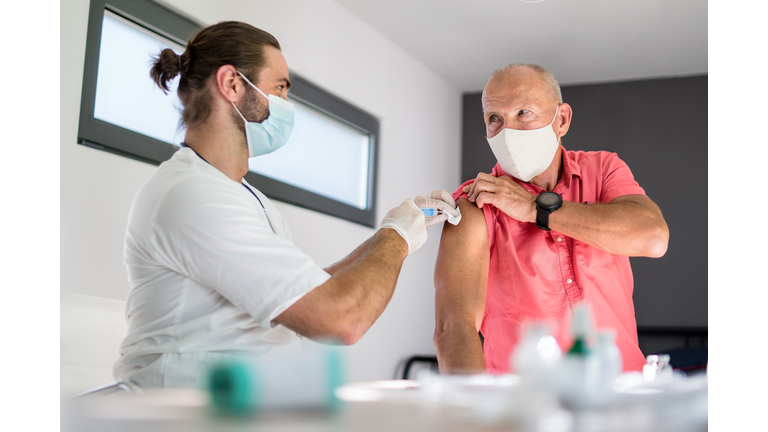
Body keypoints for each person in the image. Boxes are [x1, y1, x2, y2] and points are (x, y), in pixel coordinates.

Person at [113, 21, 459, 388]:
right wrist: (397, 236)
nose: (286, 105)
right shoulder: (193, 195)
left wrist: (395, 226)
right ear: (231, 84)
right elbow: (340, 319)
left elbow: (304, 290)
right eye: (280, 88)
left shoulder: (246, 198)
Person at [433, 63, 669, 375]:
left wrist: (536, 208)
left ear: (562, 119)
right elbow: (453, 329)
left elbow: (652, 237)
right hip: (525, 405)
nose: (508, 131)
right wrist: (479, 415)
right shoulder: (477, 204)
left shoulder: (602, 170)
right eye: (495, 119)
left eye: (523, 112)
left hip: (621, 392)